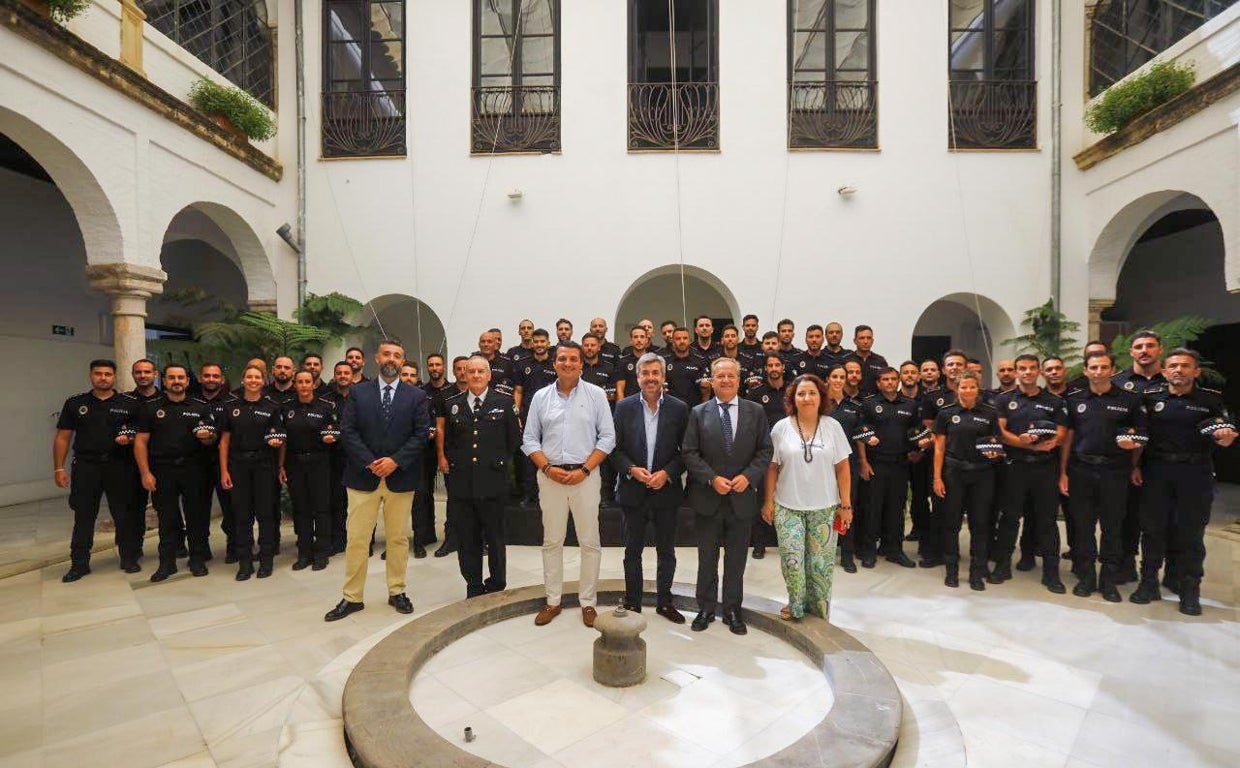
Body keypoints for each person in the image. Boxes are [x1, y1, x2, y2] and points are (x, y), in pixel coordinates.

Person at [325, 338, 431, 621]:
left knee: (397, 539)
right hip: (363, 477)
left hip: (400, 476)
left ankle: (397, 590)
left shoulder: (416, 396)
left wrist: (395, 461)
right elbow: (348, 431)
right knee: (357, 539)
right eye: (387, 354)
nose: (391, 359)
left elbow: (421, 434)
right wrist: (372, 462)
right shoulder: (359, 393)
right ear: (377, 358)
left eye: (397, 355)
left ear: (403, 360)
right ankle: (352, 597)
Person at [1134, 348, 1235, 615]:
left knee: (1190, 533)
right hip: (1157, 471)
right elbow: (1139, 434)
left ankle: (1190, 589)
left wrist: (1225, 437)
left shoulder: (1210, 400)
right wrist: (1135, 466)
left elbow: (1223, 431)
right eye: (1174, 365)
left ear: (1196, 371)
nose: (1179, 370)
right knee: (1153, 529)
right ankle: (1148, 583)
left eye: (1185, 365)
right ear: (1164, 371)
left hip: (1195, 473)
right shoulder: (1149, 397)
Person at [522, 341, 616, 628]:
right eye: (562, 359)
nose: (568, 363)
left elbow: (608, 438)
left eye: (573, 359)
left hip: (585, 477)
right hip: (550, 477)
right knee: (552, 542)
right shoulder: (540, 397)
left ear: (581, 363)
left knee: (590, 542)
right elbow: (529, 439)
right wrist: (547, 467)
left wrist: (585, 469)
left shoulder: (597, 394)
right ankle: (553, 601)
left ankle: (588, 603)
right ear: (554, 363)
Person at [683, 357, 773, 635]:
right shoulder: (698, 412)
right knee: (707, 558)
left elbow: (765, 451)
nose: (725, 380)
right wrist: (711, 478)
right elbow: (689, 452)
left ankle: (732, 609)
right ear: (711, 380)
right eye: (719, 376)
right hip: (708, 498)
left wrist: (749, 476)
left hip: (741, 498)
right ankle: (706, 607)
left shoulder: (755, 411)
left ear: (738, 379)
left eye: (730, 376)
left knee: (736, 560)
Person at [762, 374, 853, 621]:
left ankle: (820, 612)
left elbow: (843, 468)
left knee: (820, 567)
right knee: (792, 562)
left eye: (812, 392)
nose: (807, 398)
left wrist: (846, 505)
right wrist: (768, 501)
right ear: (793, 398)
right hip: (787, 506)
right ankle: (797, 605)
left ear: (821, 396)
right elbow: (772, 467)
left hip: (824, 507)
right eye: (801, 393)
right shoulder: (781, 428)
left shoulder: (833, 427)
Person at [610, 352, 690, 622]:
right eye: (646, 373)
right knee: (632, 550)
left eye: (656, 373)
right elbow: (614, 450)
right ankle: (632, 602)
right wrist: (631, 470)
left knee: (666, 551)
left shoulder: (679, 408)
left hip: (666, 491)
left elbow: (686, 451)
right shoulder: (624, 407)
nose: (651, 378)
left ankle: (664, 602)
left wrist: (667, 473)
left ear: (663, 377)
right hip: (633, 490)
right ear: (638, 377)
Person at [1059, 351, 1145, 602]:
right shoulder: (1074, 399)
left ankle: (1108, 580)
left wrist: (1135, 464)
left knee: (1113, 527)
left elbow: (1140, 436)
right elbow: (1069, 438)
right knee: (1083, 527)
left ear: (1112, 369)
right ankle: (1086, 577)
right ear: (1085, 371)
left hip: (1115, 471)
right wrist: (1063, 472)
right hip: (1081, 470)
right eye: (1093, 367)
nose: (1098, 372)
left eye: (1103, 367)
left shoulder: (1129, 399)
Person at [54, 359, 142, 581]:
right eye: (98, 373)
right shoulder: (75, 403)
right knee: (83, 516)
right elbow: (63, 438)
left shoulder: (129, 403)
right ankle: (79, 563)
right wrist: (58, 468)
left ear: (114, 377)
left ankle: (129, 558)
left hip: (119, 466)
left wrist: (129, 438)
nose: (103, 377)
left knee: (124, 515)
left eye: (107, 374)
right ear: (91, 375)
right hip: (86, 466)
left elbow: (141, 434)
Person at [441, 356, 521, 598]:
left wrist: (498, 466)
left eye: (480, 371)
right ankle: (473, 584)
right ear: (464, 374)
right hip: (463, 485)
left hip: (493, 482)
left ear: (489, 375)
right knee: (467, 539)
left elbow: (513, 442)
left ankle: (496, 583)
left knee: (495, 538)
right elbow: (450, 443)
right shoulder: (452, 404)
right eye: (471, 371)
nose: (475, 375)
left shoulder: (505, 403)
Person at [993, 354, 1069, 593]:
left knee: (1047, 521)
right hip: (1014, 466)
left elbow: (1061, 434)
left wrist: (1047, 443)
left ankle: (1051, 573)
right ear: (1015, 372)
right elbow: (1001, 432)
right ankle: (1002, 566)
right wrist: (1027, 444)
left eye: (1032, 368)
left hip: (1045, 468)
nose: (1027, 372)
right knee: (1009, 519)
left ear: (1039, 372)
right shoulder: (1004, 400)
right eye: (1022, 368)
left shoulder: (1054, 402)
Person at [133, 364, 216, 582]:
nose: (177, 381)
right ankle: (166, 564)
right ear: (164, 380)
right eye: (172, 378)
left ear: (188, 381)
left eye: (181, 378)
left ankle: (197, 560)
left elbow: (211, 439)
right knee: (167, 519)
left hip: (194, 469)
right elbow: (140, 442)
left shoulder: (201, 406)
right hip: (162, 470)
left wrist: (207, 437)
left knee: (196, 517)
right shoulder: (151, 407)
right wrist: (145, 473)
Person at [931, 370, 1001, 590]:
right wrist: (937, 478)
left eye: (971, 387)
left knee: (979, 525)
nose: (967, 391)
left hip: (982, 474)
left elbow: (995, 442)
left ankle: (976, 574)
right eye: (963, 387)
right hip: (954, 474)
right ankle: (951, 571)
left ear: (977, 389)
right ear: (956, 388)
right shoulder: (946, 413)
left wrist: (994, 452)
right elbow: (939, 447)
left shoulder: (989, 412)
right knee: (951, 523)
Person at [1112, 330, 1168, 586]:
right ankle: (1126, 564)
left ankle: (1167, 572)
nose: (1144, 350)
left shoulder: (1173, 380)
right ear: (1131, 352)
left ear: (1160, 350)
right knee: (1127, 516)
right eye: (1139, 346)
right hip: (1127, 461)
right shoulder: (1118, 382)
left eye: (1150, 346)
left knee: (1162, 520)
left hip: (1164, 460)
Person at [219, 365, 285, 580]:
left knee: (266, 515)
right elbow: (224, 442)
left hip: (264, 466)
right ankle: (244, 563)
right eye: (250, 377)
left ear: (263, 380)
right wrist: (224, 471)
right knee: (242, 517)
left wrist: (279, 460)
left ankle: (266, 561)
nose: (253, 380)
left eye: (257, 377)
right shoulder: (231, 406)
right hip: (238, 466)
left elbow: (281, 438)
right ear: (243, 379)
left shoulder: (272, 406)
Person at [857, 367, 924, 568]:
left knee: (897, 509)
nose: (889, 382)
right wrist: (863, 462)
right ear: (878, 383)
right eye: (885, 379)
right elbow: (861, 434)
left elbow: (917, 432)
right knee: (873, 509)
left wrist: (918, 450)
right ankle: (869, 551)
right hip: (876, 464)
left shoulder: (910, 405)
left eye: (893, 379)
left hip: (900, 465)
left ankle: (894, 549)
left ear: (898, 381)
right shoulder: (870, 404)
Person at [281, 369, 339, 572]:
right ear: (295, 384)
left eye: (308, 381)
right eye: (300, 382)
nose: (304, 385)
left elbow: (334, 431)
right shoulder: (286, 408)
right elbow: (283, 441)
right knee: (301, 510)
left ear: (314, 384)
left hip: (319, 463)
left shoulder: (325, 408)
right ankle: (304, 553)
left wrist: (332, 438)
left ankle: (321, 553)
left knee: (321, 509)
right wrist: (281, 465)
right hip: (295, 464)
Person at [744, 353, 789, 559]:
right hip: (764, 452)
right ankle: (760, 543)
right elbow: (749, 422)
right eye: (770, 365)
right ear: (765, 369)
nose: (773, 368)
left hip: (790, 451)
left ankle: (787, 542)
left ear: (783, 367)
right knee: (764, 496)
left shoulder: (792, 390)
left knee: (787, 496)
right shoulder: (756, 392)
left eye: (777, 364)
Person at [197, 363, 237, 562]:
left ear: (222, 379)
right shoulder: (191, 402)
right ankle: (201, 549)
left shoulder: (232, 403)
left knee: (231, 508)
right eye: (207, 375)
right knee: (198, 509)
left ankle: (234, 548)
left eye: (215, 376)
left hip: (226, 464)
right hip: (197, 463)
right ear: (200, 378)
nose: (211, 379)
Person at [414, 353, 452, 558]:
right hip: (424, 450)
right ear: (427, 368)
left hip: (449, 450)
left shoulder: (453, 391)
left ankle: (451, 536)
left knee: (452, 496)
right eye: (431, 365)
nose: (434, 367)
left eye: (438, 364)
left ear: (443, 366)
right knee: (422, 495)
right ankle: (423, 537)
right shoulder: (421, 392)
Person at [514, 329, 558, 506]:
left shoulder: (555, 364)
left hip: (552, 417)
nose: (539, 345)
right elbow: (518, 390)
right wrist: (517, 414)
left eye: (542, 342)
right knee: (529, 456)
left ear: (548, 343)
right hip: (528, 417)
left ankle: (551, 495)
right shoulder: (523, 364)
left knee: (551, 454)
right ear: (532, 343)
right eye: (536, 341)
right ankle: (529, 495)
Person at [321, 361, 354, 554]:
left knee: (360, 502)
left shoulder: (362, 398)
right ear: (334, 375)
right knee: (335, 501)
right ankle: (338, 540)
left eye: (346, 373)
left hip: (356, 458)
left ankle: (363, 541)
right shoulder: (325, 400)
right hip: (332, 457)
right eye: (339, 372)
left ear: (351, 376)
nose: (342, 376)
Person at [661, 327, 711, 405]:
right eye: (678, 339)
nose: (682, 341)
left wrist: (704, 409)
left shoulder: (701, 360)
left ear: (689, 341)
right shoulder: (664, 361)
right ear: (673, 342)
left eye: (685, 338)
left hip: (694, 409)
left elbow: (707, 389)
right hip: (671, 409)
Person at [845, 325, 888, 396]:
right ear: (855, 341)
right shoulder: (846, 360)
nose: (865, 341)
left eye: (869, 338)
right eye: (862, 338)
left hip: (874, 403)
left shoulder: (880, 361)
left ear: (872, 341)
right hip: (852, 401)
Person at [613, 325, 652, 401]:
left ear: (647, 340)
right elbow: (620, 389)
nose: (639, 340)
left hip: (650, 404)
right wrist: (622, 409)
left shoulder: (653, 361)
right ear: (631, 340)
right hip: (630, 405)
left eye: (642, 337)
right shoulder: (623, 361)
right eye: (636, 337)